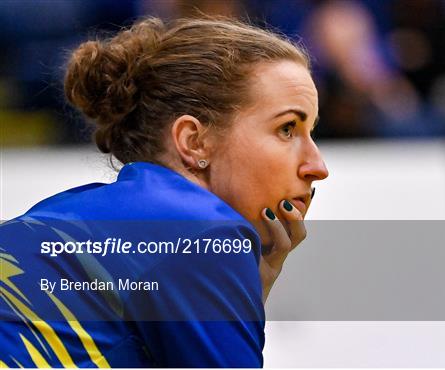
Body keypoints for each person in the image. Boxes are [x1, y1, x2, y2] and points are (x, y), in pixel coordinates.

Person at [0, 16, 328, 367]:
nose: (317, 167)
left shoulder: (59, 214)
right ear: (194, 141)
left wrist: (247, 293)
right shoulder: (200, 234)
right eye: (287, 129)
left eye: (311, 133)